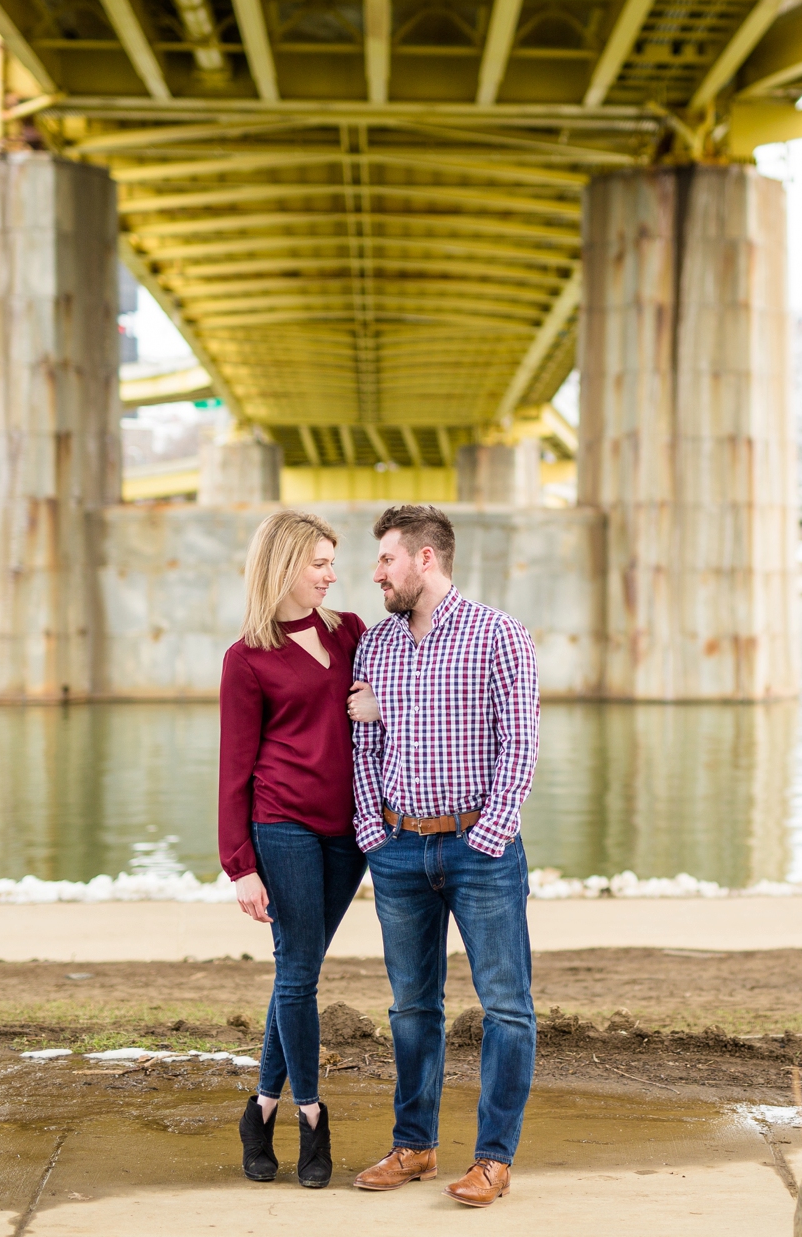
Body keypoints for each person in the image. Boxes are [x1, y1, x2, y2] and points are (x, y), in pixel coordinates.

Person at [347, 504, 540, 1209]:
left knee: (506, 1007)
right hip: (399, 850)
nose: (377, 575)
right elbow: (364, 746)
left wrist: (488, 835)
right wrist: (374, 832)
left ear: (425, 559)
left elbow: (520, 743)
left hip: (480, 849)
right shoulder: (377, 647)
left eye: (387, 560)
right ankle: (415, 1145)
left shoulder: (498, 635)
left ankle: (493, 1159)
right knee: (410, 1008)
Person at [217, 510, 376, 1188]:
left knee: (296, 968)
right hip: (281, 824)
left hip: (347, 833)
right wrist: (240, 865)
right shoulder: (246, 657)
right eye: (319, 563)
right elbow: (234, 768)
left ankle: (259, 1109)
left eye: (332, 562)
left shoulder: (351, 632)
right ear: (283, 565)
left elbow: (390, 698)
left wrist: (378, 701)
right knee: (301, 973)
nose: (332, 575)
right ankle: (312, 1116)